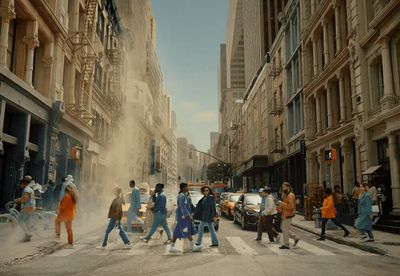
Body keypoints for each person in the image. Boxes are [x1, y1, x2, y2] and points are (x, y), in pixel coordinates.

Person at [169, 183, 198, 253]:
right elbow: (183, 207)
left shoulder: (185, 195)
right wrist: (187, 216)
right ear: (183, 188)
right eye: (187, 186)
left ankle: (172, 246)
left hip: (183, 215)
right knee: (184, 229)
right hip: (182, 216)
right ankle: (193, 246)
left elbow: (188, 206)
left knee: (183, 229)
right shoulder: (182, 196)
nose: (188, 188)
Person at [193, 185, 219, 251]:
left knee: (200, 228)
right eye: (204, 191)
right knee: (211, 229)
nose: (205, 192)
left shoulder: (210, 197)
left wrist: (215, 216)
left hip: (208, 216)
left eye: (207, 190)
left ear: (209, 191)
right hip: (205, 215)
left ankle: (198, 242)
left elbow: (213, 207)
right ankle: (215, 242)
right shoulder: (205, 197)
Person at [277, 182, 299, 249]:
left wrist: (281, 203)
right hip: (284, 214)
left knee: (284, 229)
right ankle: (295, 237)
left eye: (284, 187)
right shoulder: (284, 194)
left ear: (288, 187)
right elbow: (283, 204)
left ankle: (286, 244)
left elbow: (291, 206)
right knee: (284, 228)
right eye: (282, 187)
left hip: (289, 214)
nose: (283, 188)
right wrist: (279, 208)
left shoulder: (290, 195)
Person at [15, 177, 36, 242]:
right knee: (26, 222)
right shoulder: (30, 189)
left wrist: (19, 200)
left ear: (24, 184)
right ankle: (27, 235)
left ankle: (28, 234)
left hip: (27, 208)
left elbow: (25, 199)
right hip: (31, 207)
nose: (20, 185)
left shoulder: (26, 190)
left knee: (19, 221)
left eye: (21, 184)